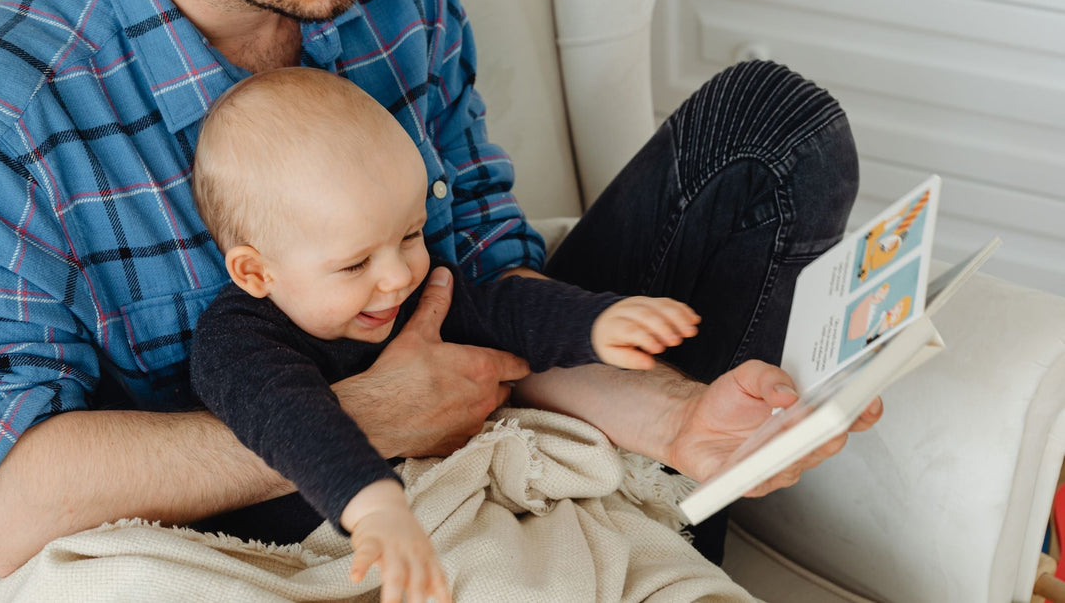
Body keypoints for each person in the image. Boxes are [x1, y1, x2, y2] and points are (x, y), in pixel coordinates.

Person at [0, 0, 881, 581]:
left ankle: (661, 503)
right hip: (237, 544)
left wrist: (675, 417)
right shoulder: (8, 108)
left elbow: (479, 284)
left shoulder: (397, 2)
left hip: (480, 439)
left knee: (769, 128)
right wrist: (372, 418)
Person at [188, 66, 702, 602]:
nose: (397, 276)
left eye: (411, 234)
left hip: (435, 508)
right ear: (255, 272)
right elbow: (293, 422)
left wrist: (597, 322)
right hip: (322, 535)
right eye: (355, 264)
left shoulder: (410, 296)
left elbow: (503, 311)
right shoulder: (236, 343)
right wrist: (373, 504)